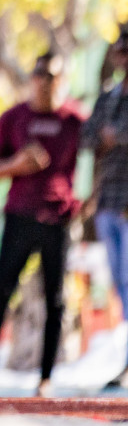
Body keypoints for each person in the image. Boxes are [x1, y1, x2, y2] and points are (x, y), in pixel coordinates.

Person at [0, 52, 84, 398]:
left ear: (61, 80)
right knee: (1, 292)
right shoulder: (13, 117)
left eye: (52, 76)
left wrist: (87, 201)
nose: (45, 81)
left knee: (56, 299)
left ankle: (46, 379)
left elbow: (102, 153)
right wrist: (18, 164)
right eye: (39, 74)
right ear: (31, 79)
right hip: (19, 215)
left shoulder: (75, 119)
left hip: (57, 219)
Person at [85, 27, 128, 388]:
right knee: (120, 285)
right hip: (107, 204)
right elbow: (90, 137)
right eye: (121, 51)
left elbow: (107, 136)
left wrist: (118, 137)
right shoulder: (107, 99)